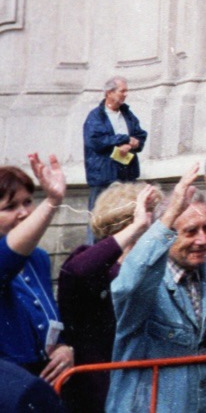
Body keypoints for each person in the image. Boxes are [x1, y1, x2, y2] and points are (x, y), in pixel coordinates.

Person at [108, 166, 206, 413]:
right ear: (167, 236)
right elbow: (127, 285)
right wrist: (169, 214)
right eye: (191, 231)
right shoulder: (148, 281)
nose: (203, 240)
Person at [56, 183, 156, 413]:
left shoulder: (149, 263)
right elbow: (78, 272)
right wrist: (137, 227)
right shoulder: (88, 260)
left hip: (136, 385)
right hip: (96, 389)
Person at [1, 157, 73, 383]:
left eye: (28, 202)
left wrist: (63, 348)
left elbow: (48, 314)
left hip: (42, 380)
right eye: (10, 207)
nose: (23, 213)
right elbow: (7, 257)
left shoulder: (39, 257)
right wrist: (52, 201)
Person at [81, 78, 146, 215]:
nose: (125, 94)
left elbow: (140, 135)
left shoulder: (127, 115)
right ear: (109, 93)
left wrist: (133, 145)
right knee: (99, 219)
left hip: (126, 175)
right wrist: (125, 139)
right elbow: (95, 141)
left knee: (124, 218)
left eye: (126, 91)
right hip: (104, 177)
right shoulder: (96, 116)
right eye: (122, 91)